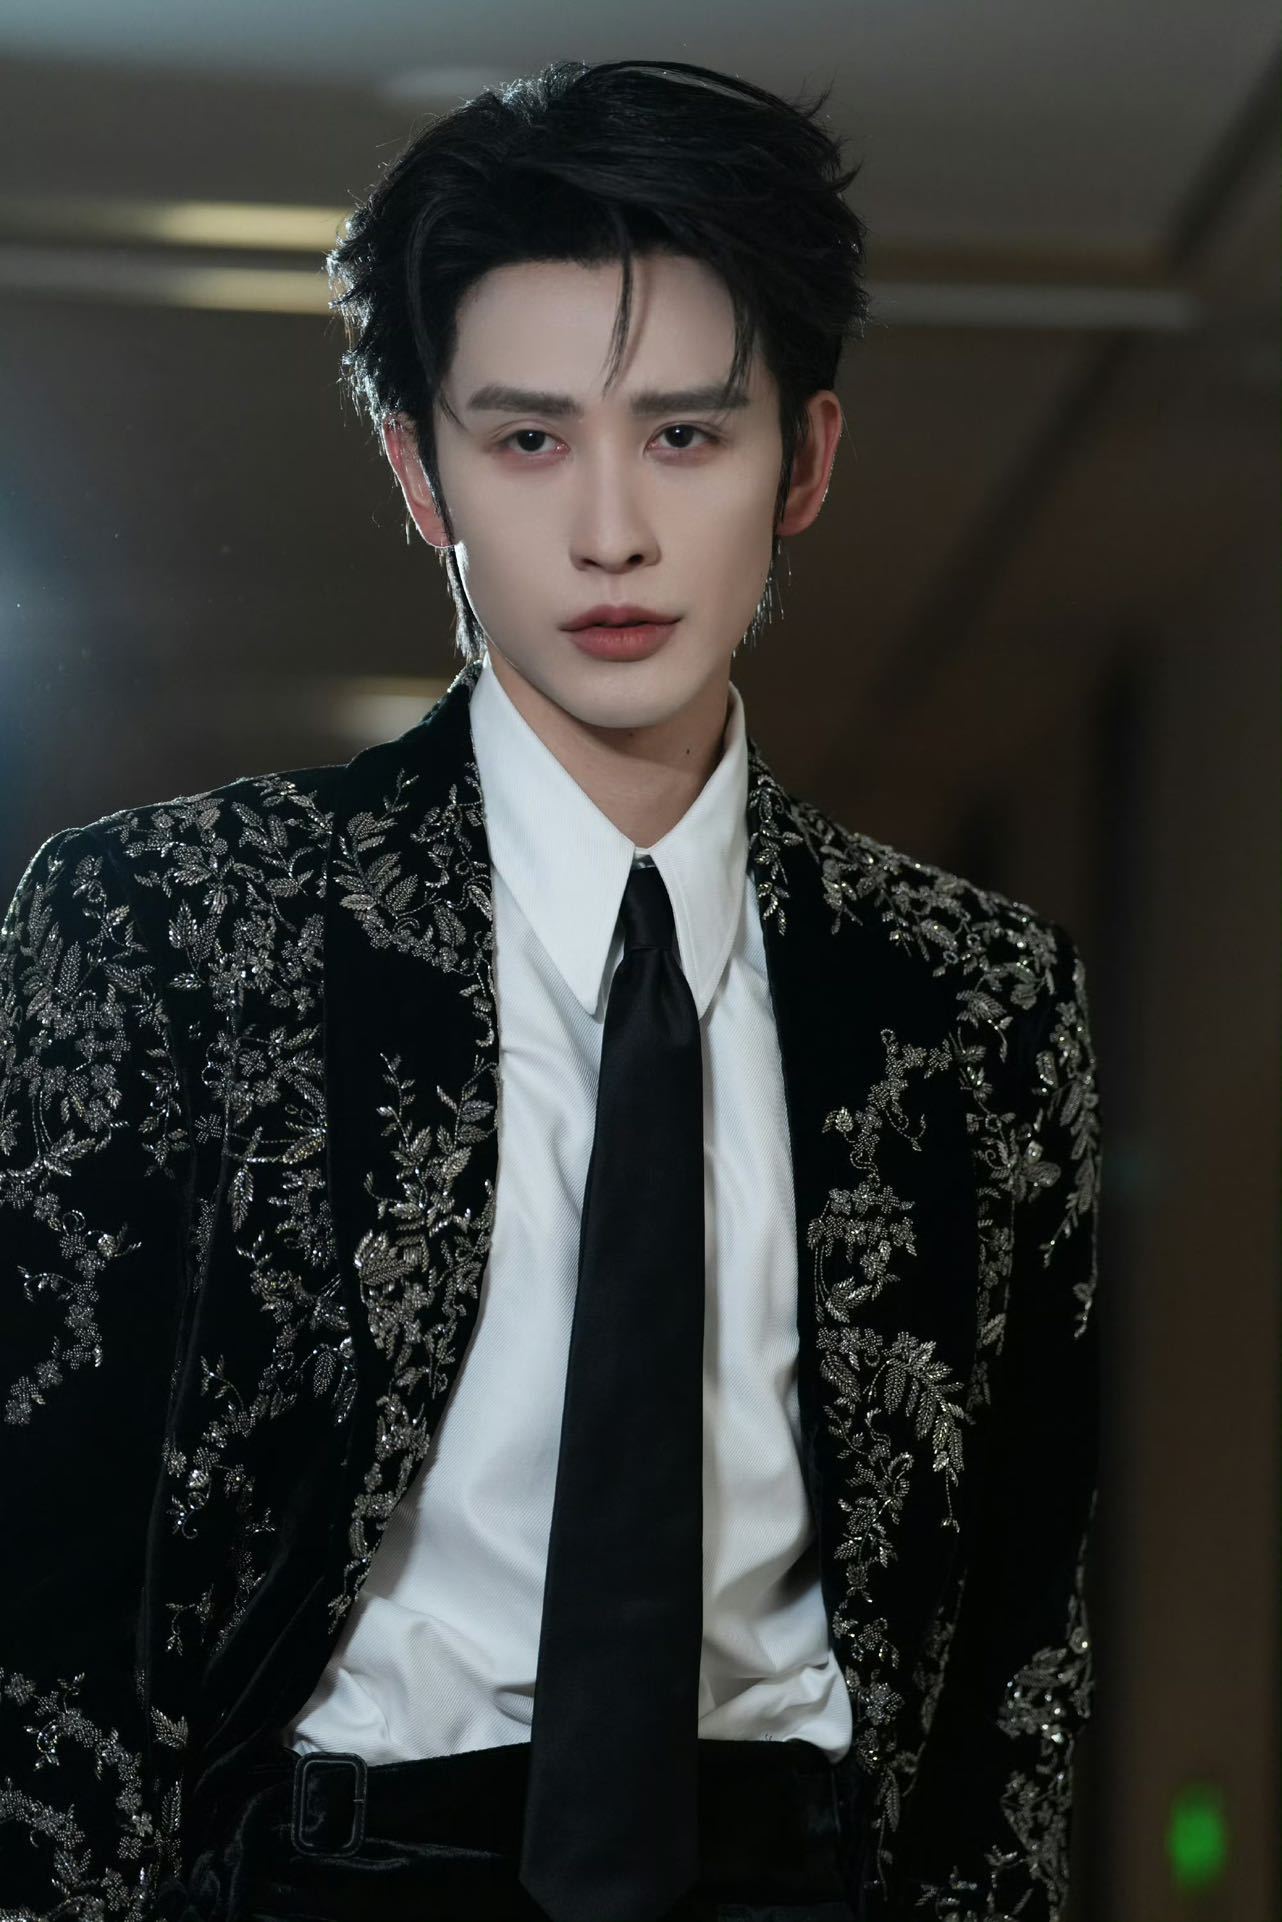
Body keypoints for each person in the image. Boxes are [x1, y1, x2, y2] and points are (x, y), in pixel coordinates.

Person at [0, 56, 1102, 1922]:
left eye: (685, 436)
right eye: (525, 440)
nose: (610, 531)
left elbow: (1016, 1660)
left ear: (805, 460)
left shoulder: (975, 1005)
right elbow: (42, 1610)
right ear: (416, 468)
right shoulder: (171, 930)